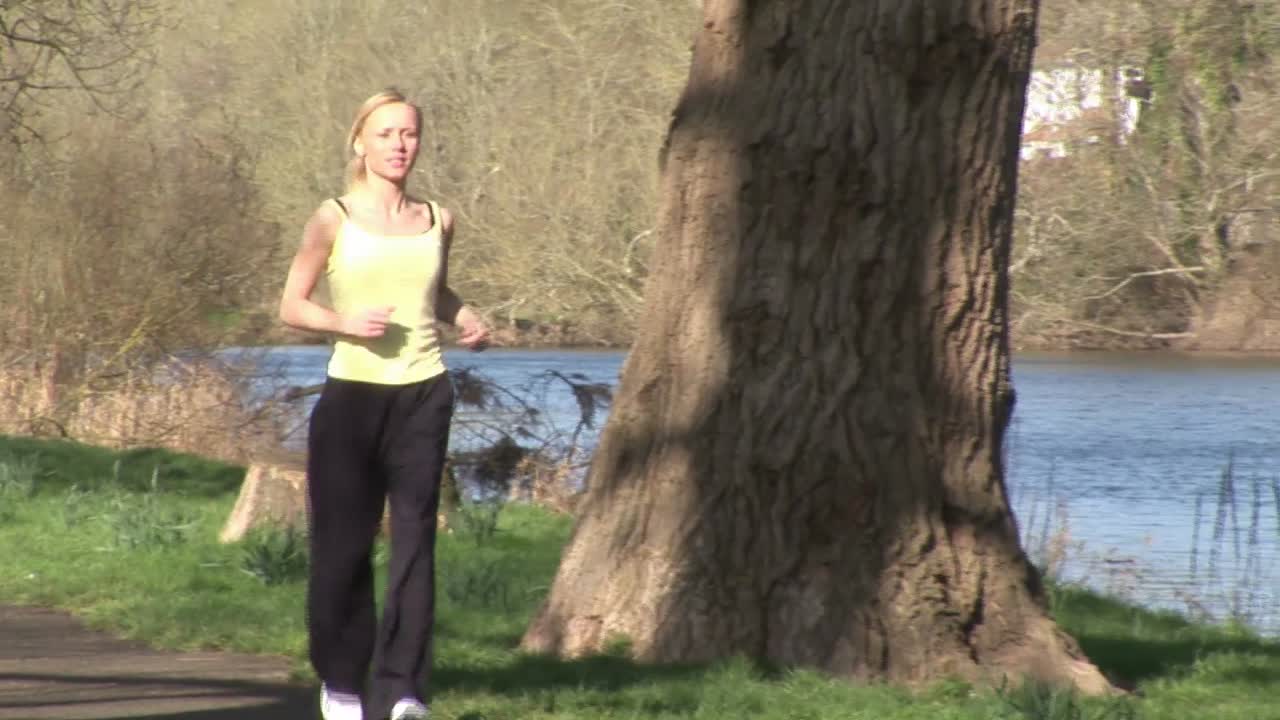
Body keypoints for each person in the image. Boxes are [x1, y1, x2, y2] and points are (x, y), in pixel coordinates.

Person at [278, 89, 490, 720]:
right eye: (386, 133)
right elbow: (291, 305)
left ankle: (403, 691)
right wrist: (343, 322)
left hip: (424, 394)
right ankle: (342, 682)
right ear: (360, 142)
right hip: (352, 398)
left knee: (415, 544)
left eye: (409, 133)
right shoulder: (333, 218)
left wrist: (465, 316)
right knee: (342, 547)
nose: (400, 145)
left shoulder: (438, 219)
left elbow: (434, 292)